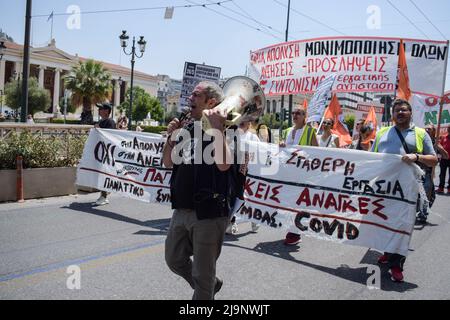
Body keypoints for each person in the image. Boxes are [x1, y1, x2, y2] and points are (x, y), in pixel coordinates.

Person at [162, 81, 238, 300]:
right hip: (181, 208)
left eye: (196, 95)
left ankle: (206, 286)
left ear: (211, 102)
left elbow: (224, 165)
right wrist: (170, 137)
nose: (190, 99)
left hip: (209, 212)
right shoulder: (185, 127)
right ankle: (211, 283)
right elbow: (168, 162)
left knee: (202, 278)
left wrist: (216, 129)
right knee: (174, 260)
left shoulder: (228, 127)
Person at [372, 99, 437, 282]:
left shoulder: (420, 133)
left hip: (407, 191)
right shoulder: (382, 133)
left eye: (404, 110)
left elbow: (434, 160)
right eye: (397, 111)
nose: (400, 113)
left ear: (410, 113)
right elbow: (370, 158)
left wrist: (417, 156)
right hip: (383, 188)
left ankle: (396, 265)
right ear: (392, 114)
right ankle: (387, 251)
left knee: (402, 225)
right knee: (383, 222)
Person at [280, 106, 318, 245]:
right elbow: (282, 152)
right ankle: (292, 229)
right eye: (293, 112)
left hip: (303, 174)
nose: (295, 115)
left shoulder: (309, 131)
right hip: (288, 173)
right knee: (289, 202)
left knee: (298, 203)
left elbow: (317, 153)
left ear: (304, 116)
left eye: (299, 113)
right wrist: (281, 145)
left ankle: (294, 232)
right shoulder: (287, 131)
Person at [225, 120, 260, 235]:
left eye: (246, 120)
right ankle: (232, 221)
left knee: (250, 197)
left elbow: (261, 153)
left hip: (249, 172)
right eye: (241, 119)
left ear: (249, 123)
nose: (242, 122)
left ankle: (254, 218)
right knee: (235, 196)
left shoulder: (253, 138)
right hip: (234, 172)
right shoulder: (231, 134)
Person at [94, 102, 116, 206]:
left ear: (107, 111)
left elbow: (109, 136)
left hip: (106, 153)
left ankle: (104, 196)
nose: (99, 111)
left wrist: (98, 128)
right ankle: (103, 195)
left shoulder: (110, 122)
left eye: (101, 109)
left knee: (103, 174)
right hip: (100, 152)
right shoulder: (102, 121)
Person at [436, 126, 450, 194]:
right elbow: (439, 147)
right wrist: (438, 156)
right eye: (449, 129)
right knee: (442, 174)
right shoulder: (444, 137)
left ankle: (449, 188)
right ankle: (441, 188)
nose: (449, 130)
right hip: (444, 159)